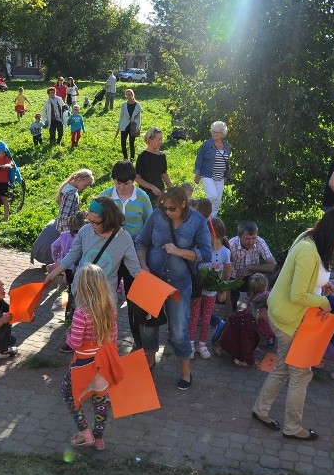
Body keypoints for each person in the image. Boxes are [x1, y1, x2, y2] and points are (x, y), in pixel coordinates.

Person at [251, 207, 334, 441]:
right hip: (291, 319)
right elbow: (298, 295)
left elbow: (303, 281)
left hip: (283, 313)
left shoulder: (309, 237)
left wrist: (320, 287)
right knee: (301, 375)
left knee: (282, 366)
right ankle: (292, 427)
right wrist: (325, 302)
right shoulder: (309, 251)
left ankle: (261, 409)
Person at [135, 187, 212, 390]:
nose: (167, 211)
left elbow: (206, 253)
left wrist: (179, 251)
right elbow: (141, 242)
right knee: (148, 327)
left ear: (183, 204)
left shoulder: (197, 221)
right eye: (164, 207)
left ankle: (186, 372)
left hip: (179, 284)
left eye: (171, 208)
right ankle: (150, 362)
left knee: (179, 331)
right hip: (152, 280)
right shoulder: (156, 216)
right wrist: (143, 266)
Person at [45, 197, 142, 346]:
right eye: (89, 221)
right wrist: (52, 274)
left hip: (105, 297)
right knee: (84, 335)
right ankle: (84, 363)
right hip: (82, 291)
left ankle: (103, 365)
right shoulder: (86, 230)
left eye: (95, 222)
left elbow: (135, 270)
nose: (91, 225)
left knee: (107, 338)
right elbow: (72, 254)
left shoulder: (124, 239)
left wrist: (155, 291)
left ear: (108, 220)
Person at [60, 264, 124, 451]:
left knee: (69, 394)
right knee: (100, 400)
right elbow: (114, 338)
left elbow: (75, 343)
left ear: (83, 286)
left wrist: (68, 335)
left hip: (83, 365)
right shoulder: (110, 309)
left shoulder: (81, 313)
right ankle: (99, 439)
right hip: (102, 363)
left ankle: (85, 433)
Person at [100, 160, 153, 351]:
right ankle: (104, 342)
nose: (122, 188)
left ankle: (138, 344)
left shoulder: (142, 197)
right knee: (106, 297)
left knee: (134, 300)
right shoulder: (105, 197)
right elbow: (95, 224)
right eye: (118, 183)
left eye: (126, 184)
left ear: (134, 181)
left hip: (133, 255)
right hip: (111, 254)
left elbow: (149, 224)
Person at [31, 169, 94, 266]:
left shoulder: (67, 189)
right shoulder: (72, 194)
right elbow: (65, 216)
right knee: (68, 252)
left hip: (63, 227)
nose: (86, 188)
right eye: (85, 185)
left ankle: (57, 266)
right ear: (79, 180)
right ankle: (59, 268)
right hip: (67, 228)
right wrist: (68, 233)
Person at [188, 216, 231, 359]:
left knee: (206, 319)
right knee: (194, 317)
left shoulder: (225, 252)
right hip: (198, 290)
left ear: (212, 233)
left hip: (212, 292)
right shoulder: (199, 249)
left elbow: (227, 271)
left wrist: (223, 290)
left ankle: (202, 344)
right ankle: (190, 343)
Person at [228, 221, 277, 311]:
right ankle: (231, 313)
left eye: (253, 238)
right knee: (229, 289)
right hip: (234, 277)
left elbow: (274, 266)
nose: (251, 242)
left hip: (252, 278)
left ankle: (257, 309)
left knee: (268, 277)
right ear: (239, 236)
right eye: (247, 238)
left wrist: (250, 267)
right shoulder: (231, 244)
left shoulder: (260, 242)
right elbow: (225, 268)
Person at [194, 121, 231, 216]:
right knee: (212, 196)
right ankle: (197, 209)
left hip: (220, 177)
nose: (214, 133)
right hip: (207, 175)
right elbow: (199, 159)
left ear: (222, 133)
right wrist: (197, 174)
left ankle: (211, 221)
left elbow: (227, 162)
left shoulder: (226, 145)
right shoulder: (206, 145)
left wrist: (226, 175)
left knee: (217, 201)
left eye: (217, 132)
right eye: (213, 131)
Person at [135, 127, 172, 204]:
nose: (161, 142)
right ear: (150, 140)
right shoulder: (142, 157)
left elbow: (164, 174)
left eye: (161, 139)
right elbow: (137, 178)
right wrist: (152, 187)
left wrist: (172, 188)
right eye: (158, 140)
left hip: (160, 194)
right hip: (145, 195)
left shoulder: (162, 156)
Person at [116, 88, 142, 160]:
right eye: (127, 94)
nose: (128, 96)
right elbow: (121, 116)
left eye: (129, 94)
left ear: (132, 95)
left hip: (133, 125)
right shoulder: (124, 105)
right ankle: (125, 158)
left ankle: (132, 158)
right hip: (124, 125)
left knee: (131, 143)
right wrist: (119, 127)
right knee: (123, 143)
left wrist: (138, 127)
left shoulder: (137, 105)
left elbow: (139, 118)